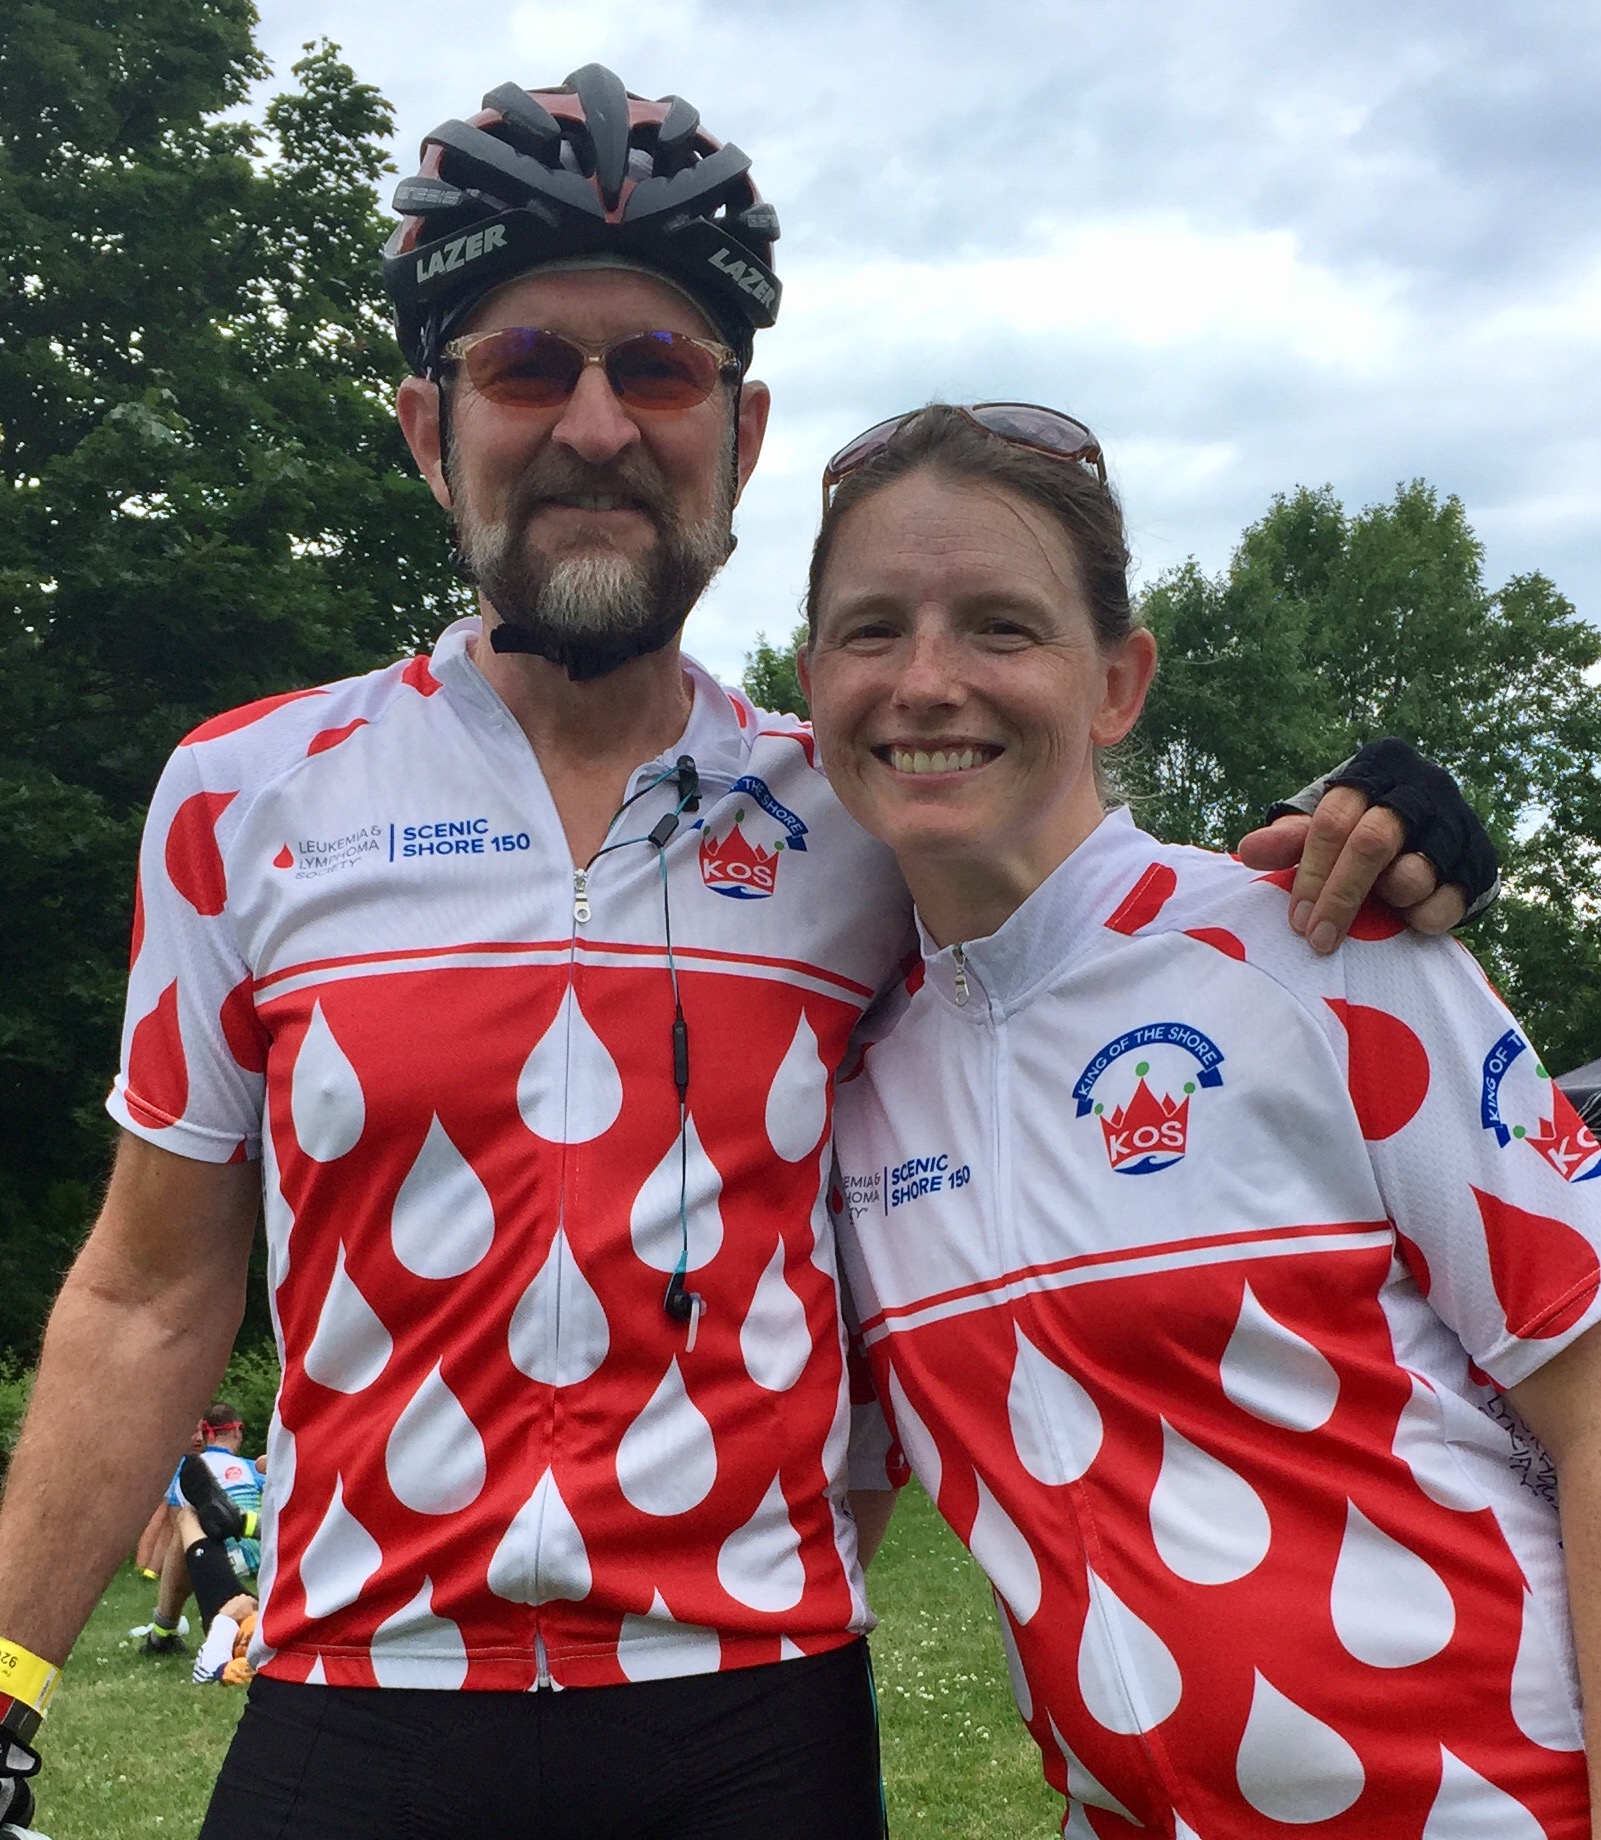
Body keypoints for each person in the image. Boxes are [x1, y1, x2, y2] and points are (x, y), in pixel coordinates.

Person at [0, 69, 1497, 1840]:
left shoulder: (854, 815)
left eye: (658, 370)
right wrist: (9, 1693)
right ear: (427, 428)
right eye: (526, 365)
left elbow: (1104, 911)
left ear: (743, 432)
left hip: (749, 1722)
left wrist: (1377, 828)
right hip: (357, 1700)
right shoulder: (241, 796)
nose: (596, 424)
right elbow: (153, 1287)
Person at [802, 402, 1601, 1837]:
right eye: (870, 631)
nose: (925, 681)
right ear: (812, 687)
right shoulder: (848, 1078)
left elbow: (1592, 1404)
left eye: (999, 626)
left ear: (1117, 682)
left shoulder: (1325, 951)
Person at [137, 1403, 262, 1656]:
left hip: (212, 1558)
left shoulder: (186, 1472)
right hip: (257, 1558)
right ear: (236, 1432)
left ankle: (162, 1632)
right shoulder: (250, 1468)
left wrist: (148, 1569)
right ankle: (244, 1522)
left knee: (188, 1518)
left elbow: (168, 1525)